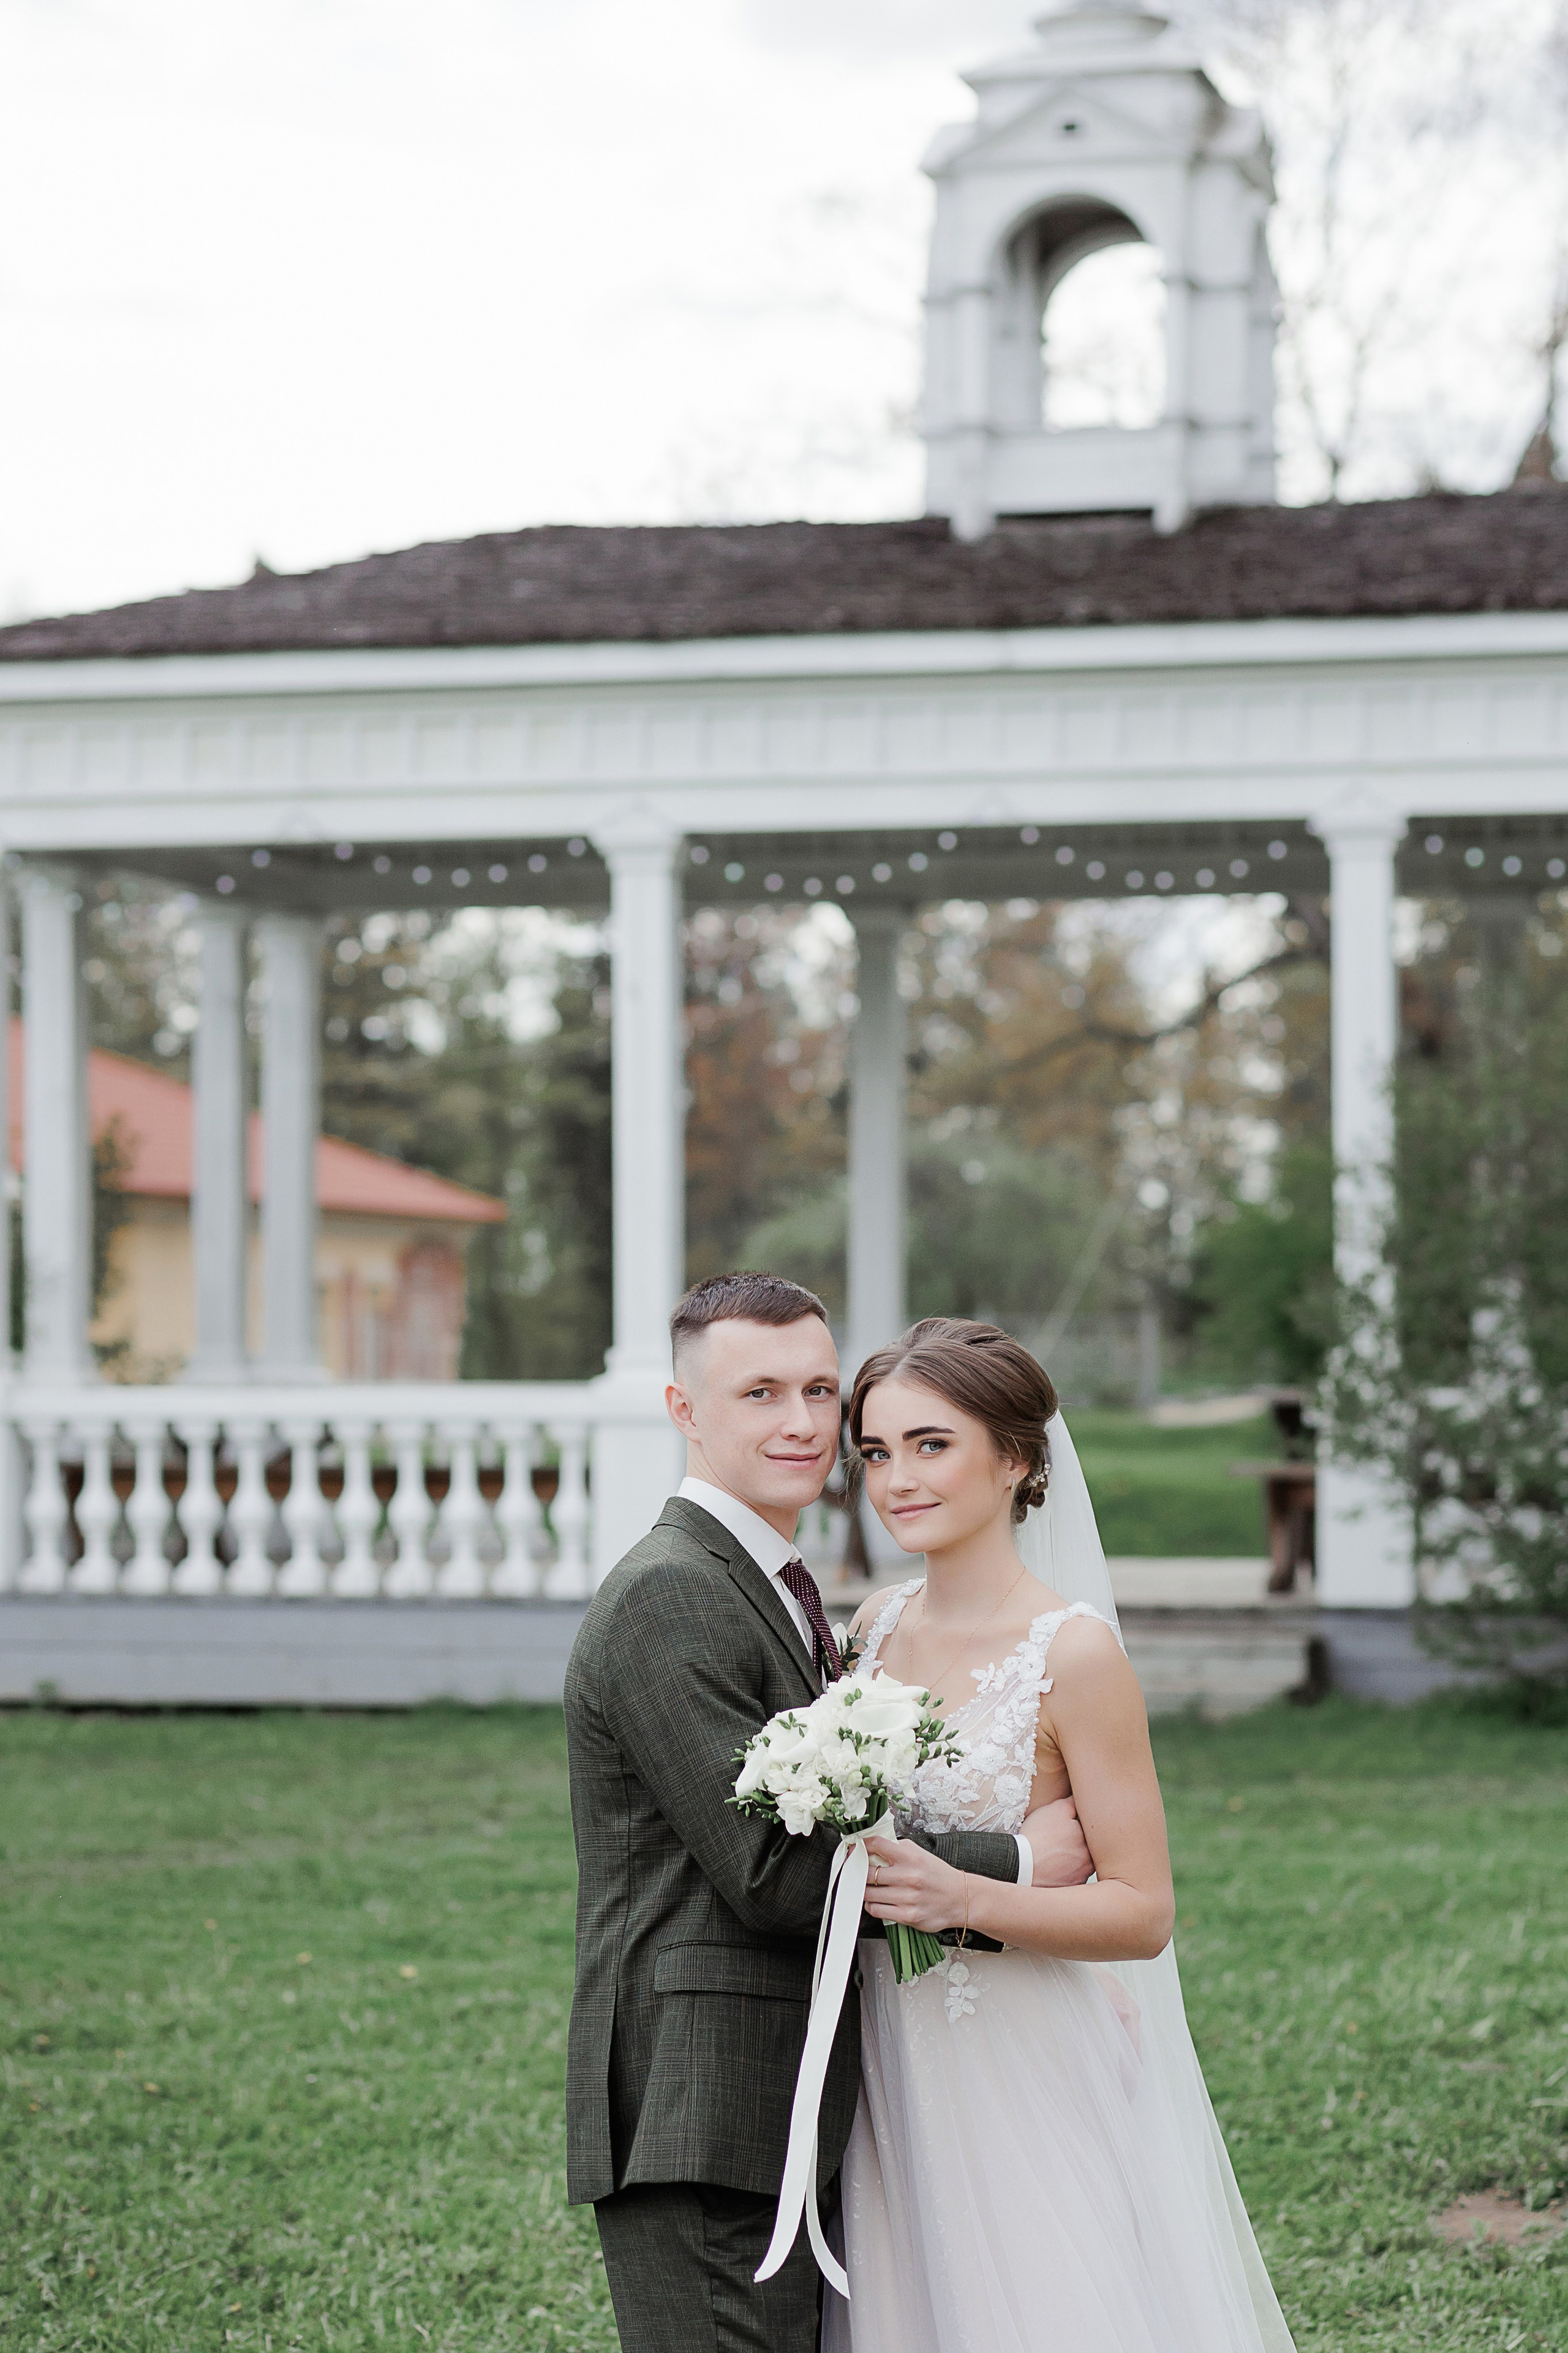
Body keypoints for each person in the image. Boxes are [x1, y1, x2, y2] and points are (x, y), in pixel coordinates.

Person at [563, 1272, 1096, 2353]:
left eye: (817, 1389)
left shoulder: (776, 1583)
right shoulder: (675, 1591)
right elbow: (770, 1875)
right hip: (704, 2107)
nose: (804, 1424)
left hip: (780, 2104)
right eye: (759, 1392)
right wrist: (1014, 1861)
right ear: (685, 1411)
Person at [822, 1316, 1297, 2353]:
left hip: (1021, 2047)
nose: (896, 1477)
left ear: (1019, 1459)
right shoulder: (870, 1627)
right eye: (875, 1451)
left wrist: (971, 1898)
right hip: (887, 2054)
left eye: (931, 1443)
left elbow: (1143, 1910)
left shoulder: (1072, 1653)